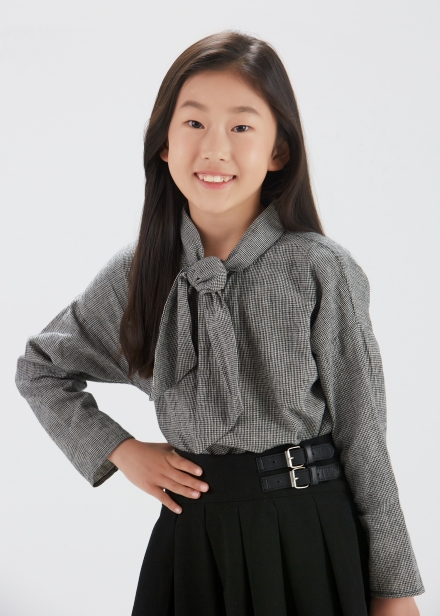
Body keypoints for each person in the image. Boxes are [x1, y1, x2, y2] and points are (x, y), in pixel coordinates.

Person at [15, 30, 425, 616]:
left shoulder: (319, 269)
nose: (215, 148)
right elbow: (41, 367)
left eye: (241, 126)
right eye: (194, 123)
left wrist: (393, 587)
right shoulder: (138, 273)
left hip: (308, 535)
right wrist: (120, 450)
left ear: (278, 151)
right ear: (163, 144)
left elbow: (364, 435)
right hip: (192, 544)